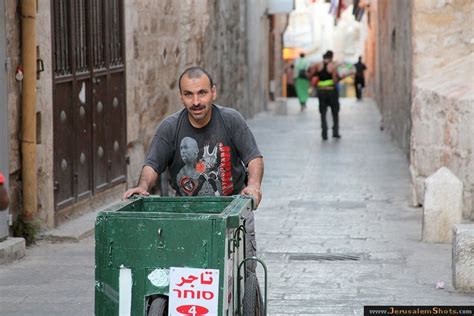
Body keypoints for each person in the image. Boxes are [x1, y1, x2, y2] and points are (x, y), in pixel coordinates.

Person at [123, 67, 264, 274]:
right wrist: (142, 186)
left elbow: (253, 158)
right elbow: (153, 164)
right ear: (181, 97)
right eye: (188, 94)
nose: (196, 102)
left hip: (233, 210)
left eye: (202, 93)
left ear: (213, 92)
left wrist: (253, 186)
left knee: (244, 271)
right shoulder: (170, 127)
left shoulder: (230, 120)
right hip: (188, 213)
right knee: (185, 271)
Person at [312, 50, 341, 140]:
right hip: (331, 91)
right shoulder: (333, 66)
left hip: (321, 91)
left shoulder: (318, 65)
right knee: (335, 112)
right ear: (331, 57)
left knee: (323, 113)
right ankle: (335, 132)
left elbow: (313, 75)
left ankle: (324, 133)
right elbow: (335, 80)